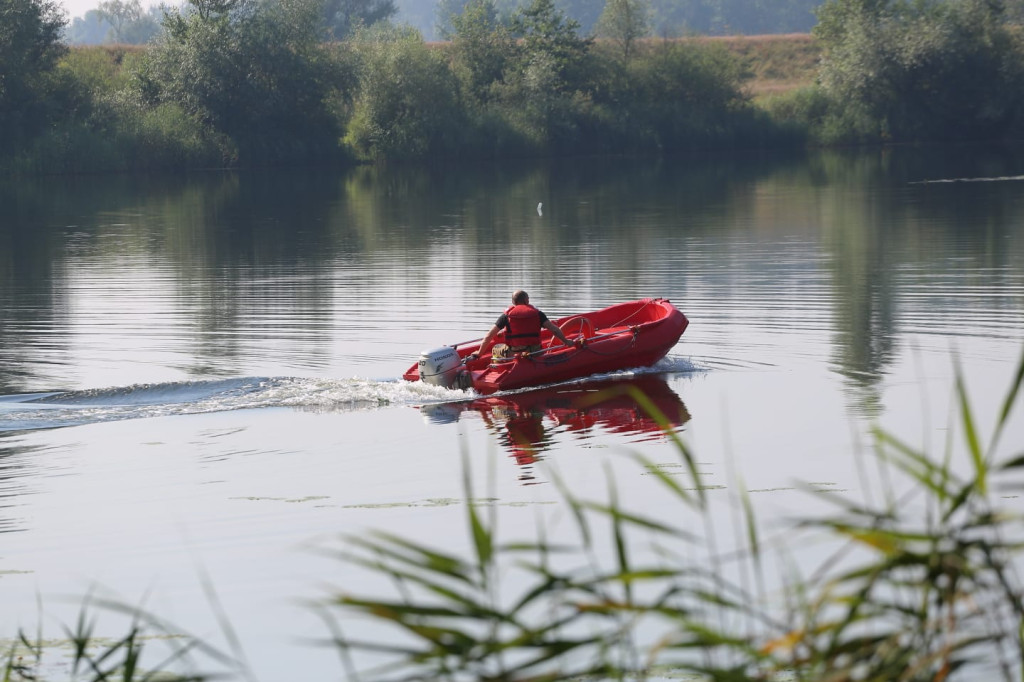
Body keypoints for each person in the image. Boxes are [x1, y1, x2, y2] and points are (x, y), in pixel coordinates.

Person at [467, 290, 580, 362]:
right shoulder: (538, 314)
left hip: (514, 352)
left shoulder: (506, 316)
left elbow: (489, 336)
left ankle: (499, 366)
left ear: (513, 302)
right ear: (527, 300)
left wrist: (479, 353)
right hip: (536, 352)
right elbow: (554, 330)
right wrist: (566, 341)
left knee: (496, 348)